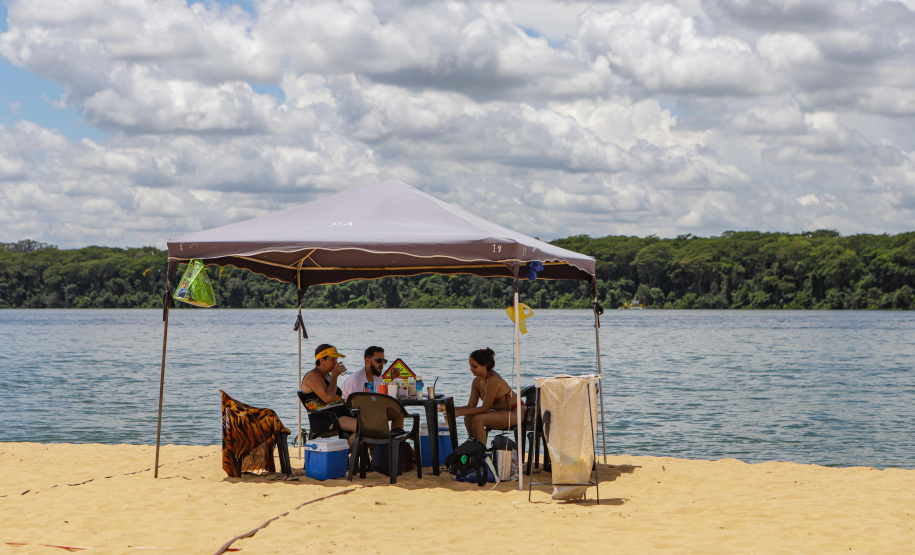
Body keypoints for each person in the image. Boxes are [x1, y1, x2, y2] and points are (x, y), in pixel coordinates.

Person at [454, 347, 523, 443]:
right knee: (468, 417)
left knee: (478, 418)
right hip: (500, 412)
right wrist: (451, 409)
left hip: (516, 412)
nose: (471, 369)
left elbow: (485, 408)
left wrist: (459, 413)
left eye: (474, 366)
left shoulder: (493, 379)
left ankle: (481, 452)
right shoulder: (476, 381)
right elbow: (470, 406)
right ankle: (474, 445)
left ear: (485, 365)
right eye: (470, 366)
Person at [341, 346, 405, 431]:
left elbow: (384, 399)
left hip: (371, 412)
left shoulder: (377, 378)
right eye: (379, 360)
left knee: (398, 414)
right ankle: (386, 440)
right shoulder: (357, 379)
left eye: (384, 361)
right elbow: (356, 406)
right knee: (381, 416)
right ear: (368, 361)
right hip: (353, 416)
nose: (382, 364)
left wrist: (394, 380)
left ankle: (397, 442)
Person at [300, 343, 357, 437]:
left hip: (339, 415)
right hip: (327, 419)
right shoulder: (313, 375)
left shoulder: (327, 375)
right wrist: (334, 376)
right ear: (322, 360)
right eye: (332, 359)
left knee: (371, 425)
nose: (336, 362)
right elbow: (328, 398)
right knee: (364, 427)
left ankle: (352, 450)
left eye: (336, 359)